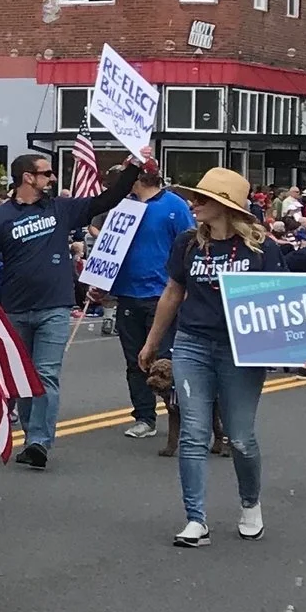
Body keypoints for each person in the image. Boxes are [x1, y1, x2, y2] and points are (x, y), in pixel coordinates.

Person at [0, 151, 137, 469]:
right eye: (46, 173)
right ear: (27, 177)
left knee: (45, 373)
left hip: (55, 306)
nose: (52, 177)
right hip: (14, 309)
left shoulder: (60, 208)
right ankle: (31, 436)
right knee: (22, 377)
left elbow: (107, 200)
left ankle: (39, 441)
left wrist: (132, 169)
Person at [135, 168, 270, 548]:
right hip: (192, 343)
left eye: (202, 199)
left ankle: (250, 504)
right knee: (193, 433)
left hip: (242, 350)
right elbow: (172, 293)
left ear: (226, 206)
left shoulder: (260, 248)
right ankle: (196, 520)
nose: (193, 204)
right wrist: (151, 343)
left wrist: (305, 355)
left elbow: (284, 302)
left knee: (240, 437)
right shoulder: (187, 243)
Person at [105, 164, 195, 441]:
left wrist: (187, 288)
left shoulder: (175, 205)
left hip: (162, 294)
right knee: (135, 361)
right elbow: (109, 247)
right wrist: (100, 281)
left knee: (167, 360)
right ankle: (144, 417)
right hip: (128, 292)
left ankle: (184, 416)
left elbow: (190, 245)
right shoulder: (122, 206)